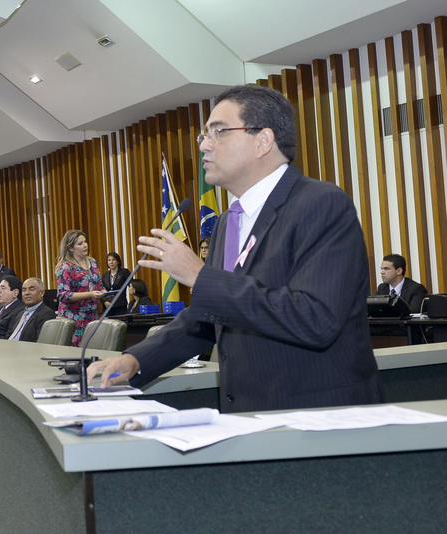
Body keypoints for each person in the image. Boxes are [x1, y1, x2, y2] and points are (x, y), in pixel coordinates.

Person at [88, 84, 383, 414]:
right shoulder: (228, 221)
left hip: (316, 417)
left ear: (263, 141)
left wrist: (200, 277)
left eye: (218, 132)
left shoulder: (321, 204)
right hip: (247, 415)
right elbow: (209, 318)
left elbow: (315, 318)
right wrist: (136, 359)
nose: (204, 144)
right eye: (204, 134)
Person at [55, 230, 105, 347]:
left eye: (85, 242)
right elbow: (63, 295)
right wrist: (90, 294)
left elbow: (99, 286)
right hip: (73, 318)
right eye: (80, 243)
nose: (85, 245)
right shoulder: (66, 267)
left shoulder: (93, 262)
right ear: (70, 248)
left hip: (91, 316)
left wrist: (105, 293)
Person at [8, 277, 56, 342]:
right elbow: (9, 335)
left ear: (42, 293)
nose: (27, 293)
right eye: (24, 290)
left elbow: (40, 342)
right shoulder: (20, 314)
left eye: (31, 289)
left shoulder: (47, 314)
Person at [102, 252, 131, 316]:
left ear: (118, 261)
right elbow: (101, 290)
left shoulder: (124, 272)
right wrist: (105, 302)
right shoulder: (105, 276)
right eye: (109, 260)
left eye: (113, 260)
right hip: (108, 306)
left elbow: (132, 285)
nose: (111, 262)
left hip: (120, 306)